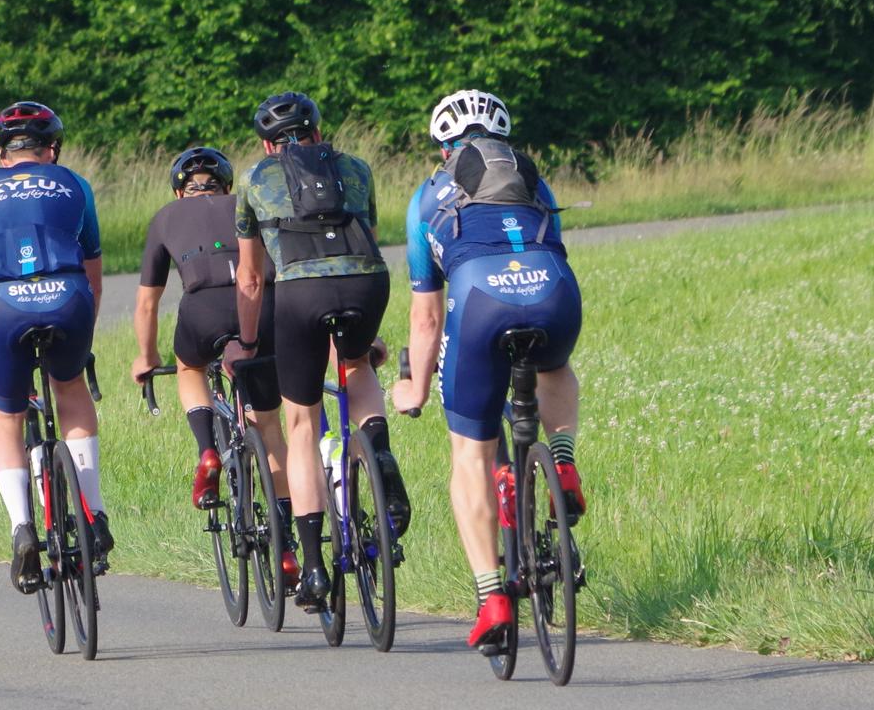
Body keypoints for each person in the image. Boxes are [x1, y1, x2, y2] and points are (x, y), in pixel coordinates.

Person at [390, 90, 585, 654]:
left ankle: (492, 598)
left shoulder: (426, 198)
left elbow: (427, 316)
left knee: (470, 455)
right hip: (553, 289)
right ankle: (563, 462)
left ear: (443, 147)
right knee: (554, 366)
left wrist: (414, 387)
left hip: (479, 300)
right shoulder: (531, 177)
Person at [227, 91, 407, 612]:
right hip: (367, 285)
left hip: (300, 294)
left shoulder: (255, 179)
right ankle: (379, 454)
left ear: (267, 144)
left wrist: (248, 342)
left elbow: (251, 278)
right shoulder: (357, 169)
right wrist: (370, 331)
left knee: (302, 423)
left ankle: (312, 568)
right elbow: (367, 242)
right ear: (319, 133)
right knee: (357, 365)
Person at [0, 102, 110, 593]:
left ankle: (22, 527)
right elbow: (94, 275)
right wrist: (82, 337)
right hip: (68, 296)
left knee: (4, 418)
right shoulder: (75, 184)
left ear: (2, 154)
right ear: (52, 149)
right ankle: (94, 513)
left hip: (2, 306)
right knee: (70, 386)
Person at [131, 146, 286, 511]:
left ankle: (207, 451)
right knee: (269, 427)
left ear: (178, 191)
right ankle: (285, 529)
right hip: (262, 304)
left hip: (204, 309)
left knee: (190, 367)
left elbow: (147, 303)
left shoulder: (166, 216)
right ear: (226, 186)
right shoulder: (249, 205)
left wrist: (147, 356)